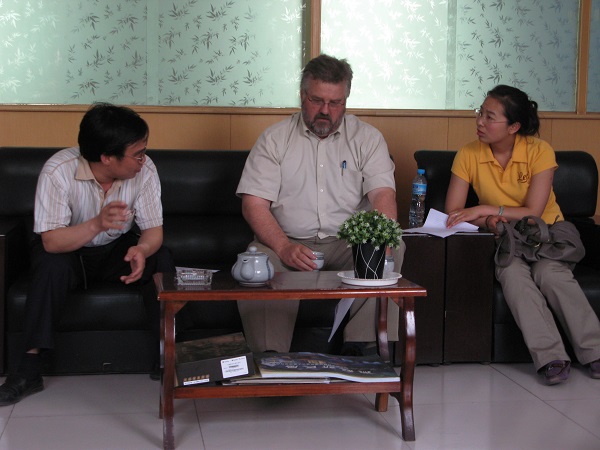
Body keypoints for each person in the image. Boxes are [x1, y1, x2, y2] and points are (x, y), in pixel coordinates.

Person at [0, 103, 174, 406]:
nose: (143, 160)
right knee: (50, 266)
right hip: (68, 248)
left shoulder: (145, 170)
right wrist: (96, 224)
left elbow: (153, 230)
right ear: (107, 157)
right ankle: (28, 370)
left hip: (116, 249)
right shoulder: (58, 171)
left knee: (161, 259)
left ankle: (167, 357)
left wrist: (142, 249)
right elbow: (51, 241)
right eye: (137, 154)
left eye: (144, 151)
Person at [236, 54, 405, 354]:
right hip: (287, 241)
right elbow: (254, 205)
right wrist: (283, 247)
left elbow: (383, 196)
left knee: (392, 245)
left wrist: (381, 243)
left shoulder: (368, 139)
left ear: (346, 100)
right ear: (303, 96)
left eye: (335, 102)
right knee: (258, 260)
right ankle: (270, 359)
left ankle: (364, 351)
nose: (325, 111)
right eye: (317, 100)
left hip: (347, 243)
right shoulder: (274, 139)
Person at [445, 84, 600, 385]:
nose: (480, 122)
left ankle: (594, 350)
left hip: (547, 234)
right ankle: (551, 358)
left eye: (490, 117)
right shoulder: (468, 153)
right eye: (480, 113)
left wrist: (484, 209)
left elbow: (534, 211)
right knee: (513, 276)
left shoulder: (539, 151)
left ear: (514, 126)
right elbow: (454, 212)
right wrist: (489, 221)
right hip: (504, 238)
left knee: (550, 274)